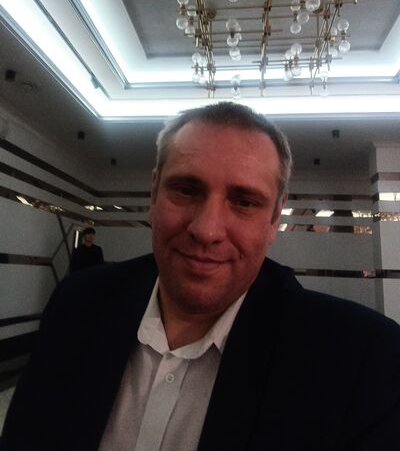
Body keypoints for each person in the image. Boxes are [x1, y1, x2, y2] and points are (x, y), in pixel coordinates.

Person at [2, 102, 400, 450]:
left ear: (274, 219)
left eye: (244, 201)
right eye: (186, 190)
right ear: (154, 194)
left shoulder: (361, 362)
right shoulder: (77, 304)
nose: (206, 230)